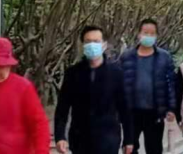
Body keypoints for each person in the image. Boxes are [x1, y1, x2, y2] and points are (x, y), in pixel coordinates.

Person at [55, 25, 135, 154]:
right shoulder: (73, 73)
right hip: (80, 140)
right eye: (88, 42)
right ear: (82, 45)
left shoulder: (116, 74)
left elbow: (125, 109)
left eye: (96, 41)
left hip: (108, 140)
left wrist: (129, 139)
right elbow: (62, 108)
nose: (92, 45)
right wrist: (60, 136)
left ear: (104, 45)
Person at [120, 19, 177, 154]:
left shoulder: (164, 57)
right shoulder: (126, 57)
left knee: (154, 148)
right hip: (131, 113)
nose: (148, 36)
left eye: (152, 33)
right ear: (139, 34)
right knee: (129, 148)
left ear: (156, 36)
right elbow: (119, 85)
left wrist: (172, 109)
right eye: (145, 33)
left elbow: (171, 85)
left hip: (155, 112)